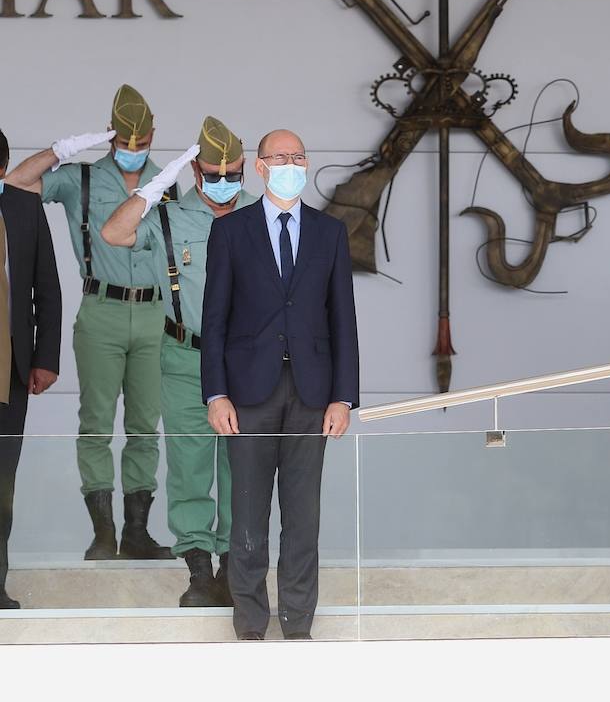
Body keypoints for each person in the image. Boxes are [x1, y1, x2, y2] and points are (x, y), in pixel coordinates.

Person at [4, 85, 175, 560]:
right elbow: (14, 184)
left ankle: (137, 532)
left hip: (155, 311)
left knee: (145, 426)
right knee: (96, 423)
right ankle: (103, 532)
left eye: (141, 143)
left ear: (153, 136)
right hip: (100, 309)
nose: (133, 152)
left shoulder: (170, 181)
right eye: (124, 142)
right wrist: (58, 150)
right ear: (111, 136)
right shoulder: (78, 179)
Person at [201, 129, 359, 640]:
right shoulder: (230, 232)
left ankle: (297, 624)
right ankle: (249, 624)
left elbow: (343, 321)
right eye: (280, 157)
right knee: (246, 513)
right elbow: (215, 319)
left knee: (303, 516)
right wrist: (215, 392)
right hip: (247, 392)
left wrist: (343, 395)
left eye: (298, 157)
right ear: (261, 168)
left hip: (312, 392)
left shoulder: (329, 231)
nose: (290, 164)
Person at [102, 118, 256, 608]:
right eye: (213, 171)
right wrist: (152, 188)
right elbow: (113, 231)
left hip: (247, 360)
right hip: (185, 354)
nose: (224, 179)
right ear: (194, 171)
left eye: (233, 170)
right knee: (190, 466)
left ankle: (235, 568)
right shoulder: (169, 216)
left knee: (242, 466)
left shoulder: (263, 214)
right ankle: (198, 570)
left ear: (246, 166)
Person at [0, 130, 63, 609]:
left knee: (2, 482)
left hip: (11, 372)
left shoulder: (23, 209)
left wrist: (44, 359)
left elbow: (47, 287)